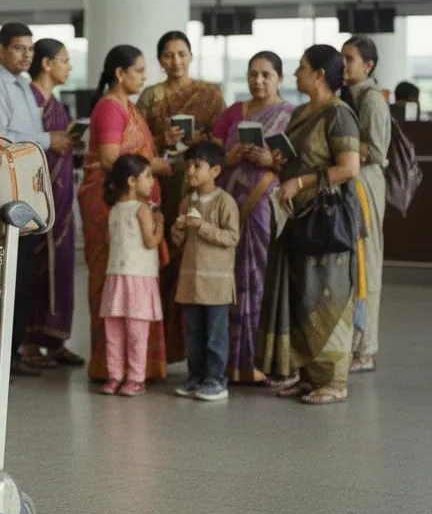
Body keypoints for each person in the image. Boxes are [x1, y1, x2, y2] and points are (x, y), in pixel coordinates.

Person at [255, 45, 361, 405]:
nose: (296, 74)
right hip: (298, 217)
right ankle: (307, 376)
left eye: (301, 68)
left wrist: (299, 182)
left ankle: (334, 381)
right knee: (302, 296)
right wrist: (280, 161)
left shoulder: (339, 114)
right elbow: (301, 158)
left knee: (326, 294)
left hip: (326, 218)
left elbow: (348, 168)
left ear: (319, 75)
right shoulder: (302, 111)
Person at [0, 23, 72, 376]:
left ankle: (14, 352)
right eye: (19, 48)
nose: (26, 55)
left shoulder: (23, 87)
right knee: (10, 275)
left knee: (24, 276)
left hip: (25, 188)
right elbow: (0, 135)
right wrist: (47, 140)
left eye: (29, 49)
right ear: (2, 49)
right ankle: (3, 355)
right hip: (4, 187)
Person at [77, 45, 172, 382]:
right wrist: (155, 166)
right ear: (120, 73)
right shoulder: (110, 108)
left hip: (133, 210)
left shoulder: (127, 108)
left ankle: (135, 368)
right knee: (112, 288)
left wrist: (160, 141)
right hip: (109, 209)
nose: (144, 76)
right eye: (139, 70)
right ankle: (112, 368)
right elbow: (109, 159)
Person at [137, 31, 226, 364]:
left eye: (181, 54)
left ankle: (198, 352)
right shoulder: (150, 97)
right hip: (161, 186)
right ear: (160, 59)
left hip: (199, 188)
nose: (175, 61)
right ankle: (161, 350)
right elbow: (138, 145)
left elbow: (223, 142)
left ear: (191, 56)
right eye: (168, 55)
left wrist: (201, 141)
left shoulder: (210, 95)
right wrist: (163, 137)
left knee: (196, 263)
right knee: (163, 264)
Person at [210, 52, 295, 383]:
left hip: (263, 205)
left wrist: (270, 162)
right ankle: (231, 361)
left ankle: (261, 360)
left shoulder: (290, 115)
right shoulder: (233, 112)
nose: (258, 81)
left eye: (266, 75)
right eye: (252, 74)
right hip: (228, 207)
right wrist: (228, 156)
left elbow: (298, 164)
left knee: (260, 278)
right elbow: (211, 155)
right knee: (228, 280)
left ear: (279, 79)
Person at [23, 38, 84, 368]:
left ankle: (56, 340)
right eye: (64, 60)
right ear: (46, 63)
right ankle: (30, 342)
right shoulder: (28, 99)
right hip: (36, 194)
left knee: (61, 267)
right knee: (36, 267)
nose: (69, 66)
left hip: (61, 198)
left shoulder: (56, 104)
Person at [170, 141, 240, 402]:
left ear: (215, 171)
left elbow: (232, 238)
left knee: (215, 334)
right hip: (190, 281)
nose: (190, 171)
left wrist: (202, 227)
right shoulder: (187, 201)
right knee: (194, 333)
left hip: (216, 284)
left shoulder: (225, 202)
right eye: (188, 166)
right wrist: (177, 230)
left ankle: (216, 379)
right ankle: (196, 376)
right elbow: (179, 242)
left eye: (197, 166)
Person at [342, 36, 392, 373]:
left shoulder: (372, 101)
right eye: (342, 59)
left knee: (367, 263)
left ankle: (366, 348)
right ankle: (352, 341)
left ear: (368, 65)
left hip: (366, 185)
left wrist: (344, 145)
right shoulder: (349, 96)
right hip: (350, 182)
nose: (344, 65)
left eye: (350, 59)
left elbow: (376, 151)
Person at [98, 154, 165, 396]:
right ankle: (135, 378)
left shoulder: (115, 209)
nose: (152, 182)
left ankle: (115, 376)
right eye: (148, 176)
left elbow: (108, 240)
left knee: (114, 332)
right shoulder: (142, 209)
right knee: (137, 333)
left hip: (116, 276)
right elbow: (150, 242)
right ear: (132, 181)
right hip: (138, 278)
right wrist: (160, 225)